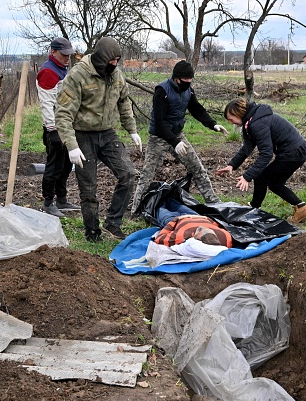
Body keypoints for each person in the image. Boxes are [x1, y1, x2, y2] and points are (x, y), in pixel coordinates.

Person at [55, 37, 143, 242]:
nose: (114, 66)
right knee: (89, 187)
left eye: (117, 62)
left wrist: (132, 129)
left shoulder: (116, 75)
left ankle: (113, 223)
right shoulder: (78, 76)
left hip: (107, 132)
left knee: (128, 174)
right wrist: (71, 145)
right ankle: (92, 232)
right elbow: (63, 113)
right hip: (82, 135)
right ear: (100, 59)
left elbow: (124, 102)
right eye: (110, 62)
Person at [131, 60, 228, 214]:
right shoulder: (161, 91)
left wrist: (213, 124)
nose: (188, 84)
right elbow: (160, 122)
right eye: (185, 81)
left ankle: (214, 203)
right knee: (147, 174)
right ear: (176, 79)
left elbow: (197, 110)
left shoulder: (188, 91)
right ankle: (136, 210)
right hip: (159, 137)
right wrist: (175, 142)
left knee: (197, 168)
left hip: (178, 135)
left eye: (190, 81)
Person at [216, 97, 306, 224]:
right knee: (274, 183)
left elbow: (266, 154)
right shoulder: (251, 121)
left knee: (261, 178)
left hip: (293, 152)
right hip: (296, 151)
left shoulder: (257, 123)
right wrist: (232, 165)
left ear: (237, 113)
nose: (231, 123)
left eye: (230, 119)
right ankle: (301, 208)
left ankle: (254, 209)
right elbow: (247, 148)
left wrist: (247, 176)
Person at [36, 36, 80, 218]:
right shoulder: (48, 72)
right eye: (63, 55)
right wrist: (52, 129)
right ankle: (48, 202)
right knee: (54, 166)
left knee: (66, 165)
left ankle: (62, 199)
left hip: (66, 125)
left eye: (69, 55)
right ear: (53, 52)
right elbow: (47, 103)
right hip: (54, 128)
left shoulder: (61, 68)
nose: (67, 58)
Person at [153, 199, 233, 248]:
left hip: (174, 220)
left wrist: (175, 221)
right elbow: (216, 224)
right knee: (177, 204)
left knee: (161, 208)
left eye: (199, 230)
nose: (200, 226)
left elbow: (159, 238)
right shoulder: (225, 237)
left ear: (196, 239)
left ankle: (159, 200)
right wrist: (205, 218)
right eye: (207, 229)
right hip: (197, 216)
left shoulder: (181, 236)